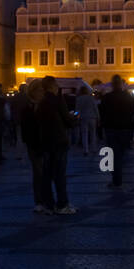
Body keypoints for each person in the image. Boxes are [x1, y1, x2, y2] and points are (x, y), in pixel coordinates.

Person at [37, 76, 78, 213]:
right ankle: (62, 204)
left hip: (45, 141)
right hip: (59, 140)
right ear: (53, 86)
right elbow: (67, 119)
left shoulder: (41, 102)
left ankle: (48, 204)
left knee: (47, 175)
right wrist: (74, 118)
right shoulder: (58, 99)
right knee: (60, 174)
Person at [101, 75, 134, 188]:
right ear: (121, 84)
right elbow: (132, 112)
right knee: (121, 155)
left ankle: (116, 179)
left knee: (113, 156)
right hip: (124, 129)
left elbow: (103, 113)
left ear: (112, 84)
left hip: (111, 129)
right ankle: (118, 177)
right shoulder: (127, 96)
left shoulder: (107, 97)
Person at [20, 79, 48, 211]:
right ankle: (39, 201)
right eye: (40, 90)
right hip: (34, 144)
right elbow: (25, 128)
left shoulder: (45, 105)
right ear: (34, 91)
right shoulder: (27, 108)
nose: (43, 92)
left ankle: (46, 199)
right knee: (38, 173)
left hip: (46, 143)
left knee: (46, 173)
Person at [75, 84, 99, 156]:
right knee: (93, 133)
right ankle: (94, 148)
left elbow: (77, 110)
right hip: (92, 117)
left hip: (83, 118)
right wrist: (98, 117)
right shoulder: (91, 98)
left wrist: (76, 116)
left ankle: (86, 150)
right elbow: (95, 108)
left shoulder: (79, 99)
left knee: (84, 134)